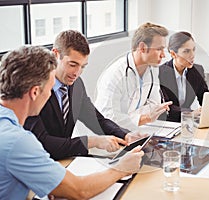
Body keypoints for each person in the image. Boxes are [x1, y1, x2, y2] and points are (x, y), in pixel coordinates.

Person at [0, 46, 144, 199]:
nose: (51, 93)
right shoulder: (18, 141)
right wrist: (121, 169)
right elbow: (80, 190)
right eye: (49, 89)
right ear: (35, 92)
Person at [24, 30, 141, 160]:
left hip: (65, 159)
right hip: (39, 161)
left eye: (82, 67)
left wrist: (124, 135)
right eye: (73, 65)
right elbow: (42, 142)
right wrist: (92, 141)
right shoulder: (35, 89)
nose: (77, 73)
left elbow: (96, 119)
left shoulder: (76, 84)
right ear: (55, 54)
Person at [95, 22, 172, 131]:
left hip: (136, 131)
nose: (163, 55)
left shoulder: (152, 69)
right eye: (159, 49)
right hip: (110, 137)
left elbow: (155, 105)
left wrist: (131, 116)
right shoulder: (115, 75)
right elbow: (109, 119)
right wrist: (144, 118)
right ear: (143, 48)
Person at [159, 31, 209, 122]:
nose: (192, 55)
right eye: (186, 51)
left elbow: (206, 99)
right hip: (167, 123)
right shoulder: (161, 73)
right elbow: (166, 106)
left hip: (188, 122)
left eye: (193, 50)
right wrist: (191, 113)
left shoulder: (197, 70)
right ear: (173, 54)